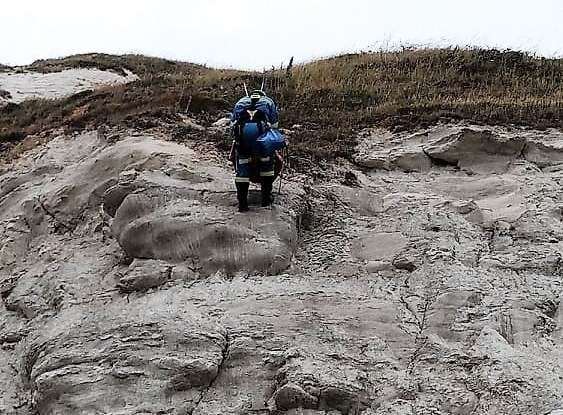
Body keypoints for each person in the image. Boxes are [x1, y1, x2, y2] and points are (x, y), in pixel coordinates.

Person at [230, 89, 280, 212]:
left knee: (242, 168)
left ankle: (242, 204)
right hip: (262, 142)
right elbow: (275, 125)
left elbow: (233, 125)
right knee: (267, 167)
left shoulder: (240, 102)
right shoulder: (268, 102)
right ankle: (265, 200)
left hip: (243, 143)